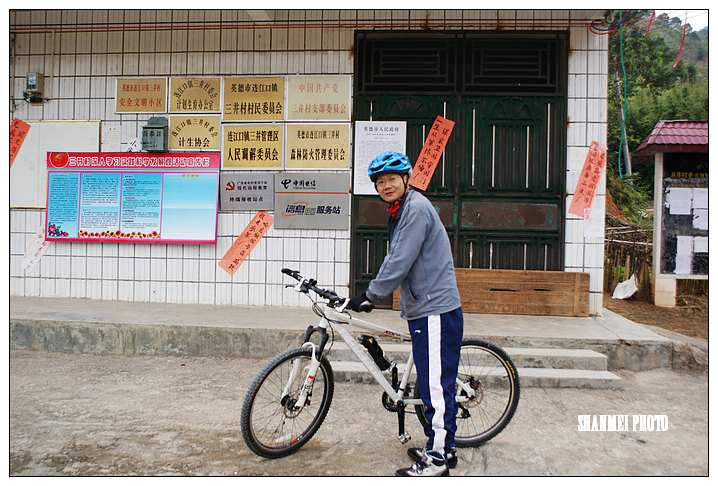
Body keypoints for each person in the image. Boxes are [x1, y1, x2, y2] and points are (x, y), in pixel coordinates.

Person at [346, 151, 464, 477]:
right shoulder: (401, 210)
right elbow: (397, 257)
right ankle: (445, 447)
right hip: (425, 307)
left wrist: (370, 295)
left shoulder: (414, 210)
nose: (386, 186)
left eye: (392, 179)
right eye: (380, 182)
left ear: (406, 179)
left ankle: (438, 461)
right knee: (431, 383)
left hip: (435, 309)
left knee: (434, 388)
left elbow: (399, 259)